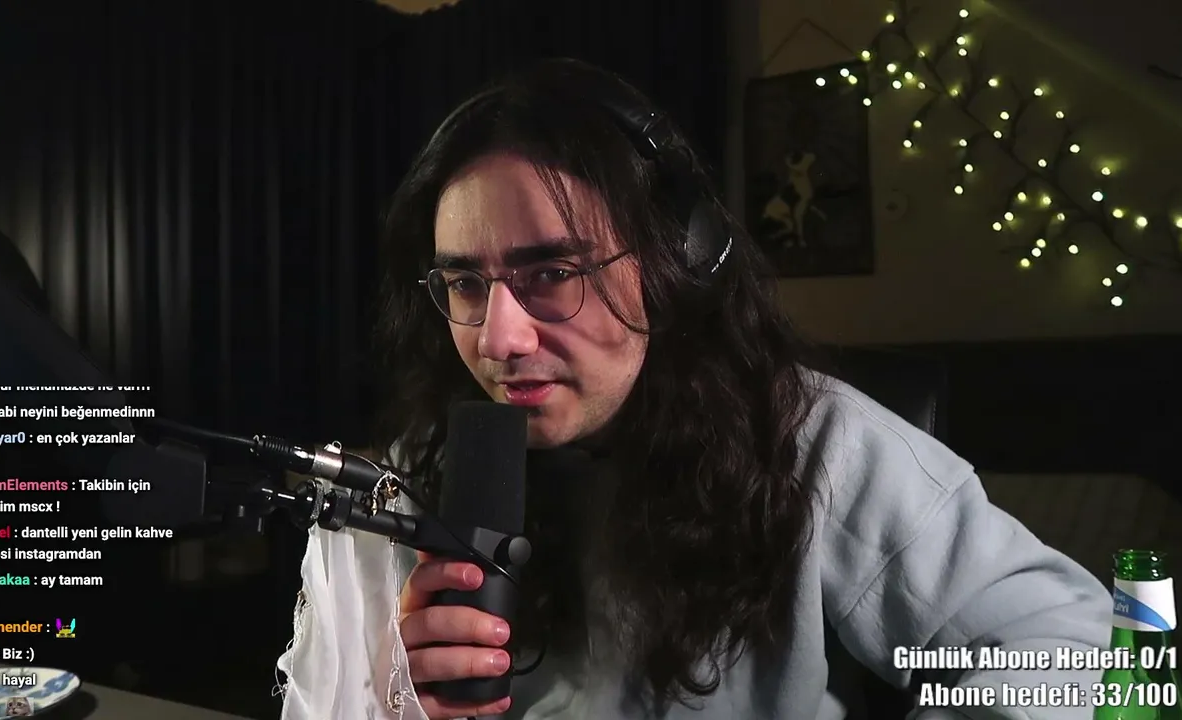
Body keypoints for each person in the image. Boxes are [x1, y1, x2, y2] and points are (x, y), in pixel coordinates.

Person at [368, 58, 1111, 719]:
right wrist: (385, 694)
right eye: (466, 284)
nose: (498, 340)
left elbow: (1065, 642)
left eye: (554, 274)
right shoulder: (423, 464)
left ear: (676, 261)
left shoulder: (807, 439)